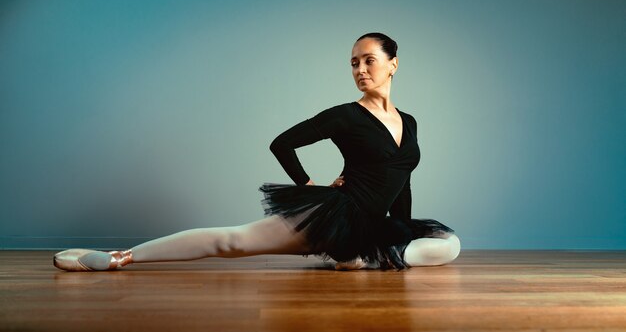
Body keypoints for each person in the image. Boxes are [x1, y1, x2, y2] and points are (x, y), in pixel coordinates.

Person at [53, 32, 461, 272]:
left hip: (375, 228)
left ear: (393, 65)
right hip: (337, 216)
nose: (359, 70)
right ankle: (121, 258)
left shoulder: (409, 121)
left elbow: (402, 180)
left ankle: (366, 258)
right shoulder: (344, 116)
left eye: (369, 61)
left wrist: (401, 229)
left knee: (450, 244)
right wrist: (308, 184)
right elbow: (281, 143)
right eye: (353, 63)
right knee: (233, 241)